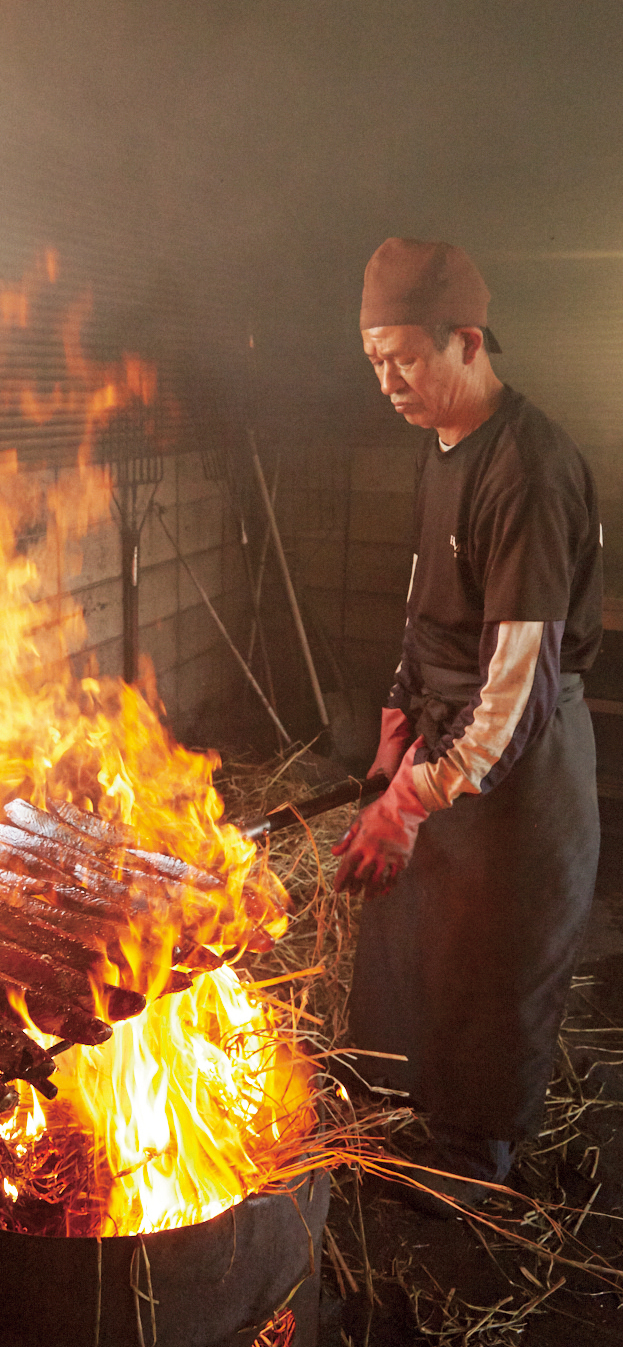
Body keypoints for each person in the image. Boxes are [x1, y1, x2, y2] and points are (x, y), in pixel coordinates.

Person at [332, 238, 603, 1216]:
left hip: (514, 769)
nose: (386, 380)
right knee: (412, 957)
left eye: (401, 356)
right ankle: (406, 1137)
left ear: (467, 340)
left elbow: (518, 687)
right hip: (444, 744)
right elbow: (427, 605)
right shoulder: (440, 447)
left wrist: (409, 804)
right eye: (372, 361)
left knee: (490, 973)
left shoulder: (526, 470)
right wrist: (394, 726)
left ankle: (468, 1195)